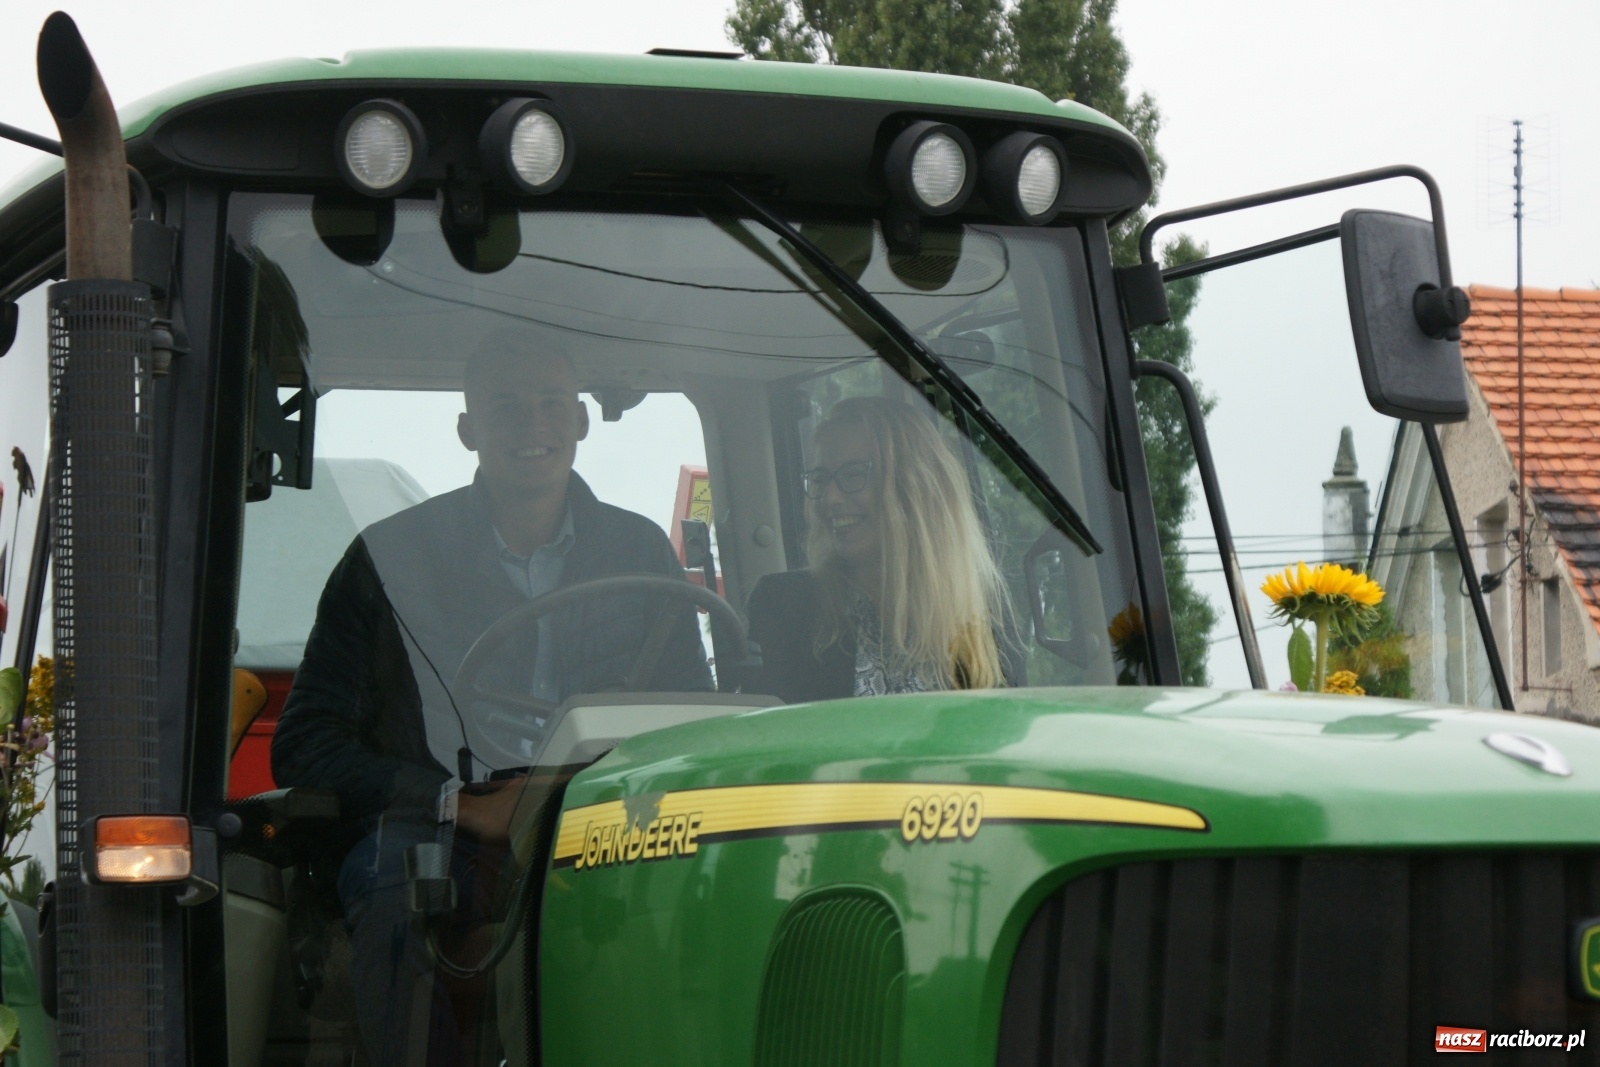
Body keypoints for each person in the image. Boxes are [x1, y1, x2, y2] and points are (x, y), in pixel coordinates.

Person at [271, 329, 710, 1065]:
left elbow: (691, 713)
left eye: (550, 405)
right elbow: (305, 741)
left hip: (597, 814)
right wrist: (450, 799)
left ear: (580, 420)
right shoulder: (390, 558)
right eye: (506, 408)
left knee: (702, 887)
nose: (532, 426)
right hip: (443, 828)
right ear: (469, 428)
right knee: (395, 890)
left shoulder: (639, 552)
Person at [745, 394, 1021, 703]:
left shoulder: (983, 608)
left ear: (914, 488)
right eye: (820, 479)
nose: (829, 498)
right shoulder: (785, 605)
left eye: (852, 475)